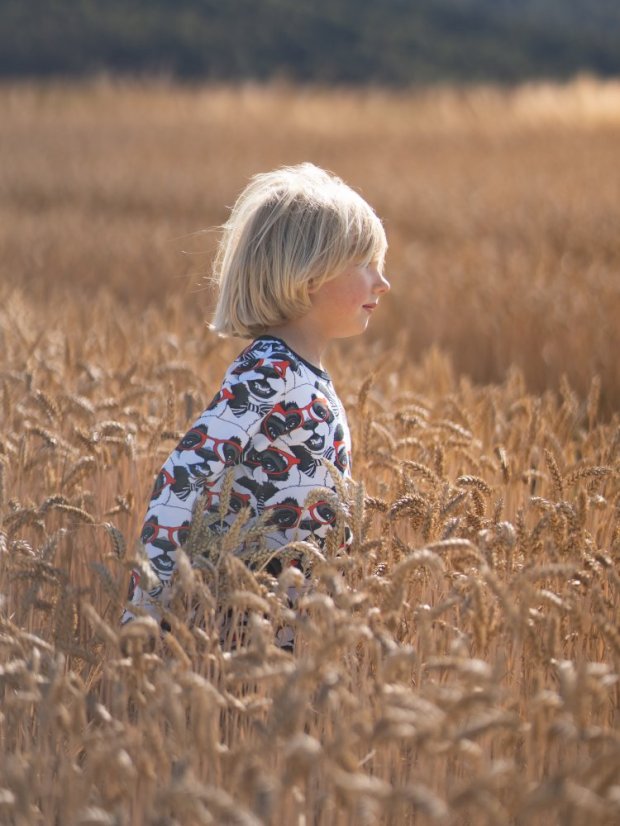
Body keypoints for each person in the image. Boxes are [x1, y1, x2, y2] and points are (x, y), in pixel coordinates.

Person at [122, 163, 390, 646]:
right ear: (310, 274)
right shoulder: (270, 370)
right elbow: (182, 477)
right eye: (366, 264)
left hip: (292, 631)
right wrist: (144, 611)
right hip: (243, 637)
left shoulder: (303, 372)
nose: (382, 282)